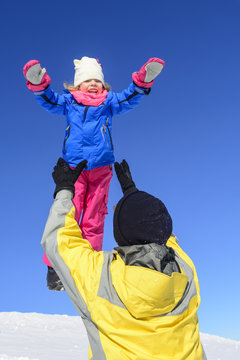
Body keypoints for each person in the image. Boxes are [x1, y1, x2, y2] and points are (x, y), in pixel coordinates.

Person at [41, 158, 206, 360]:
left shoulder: (101, 278)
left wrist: (64, 190)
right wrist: (133, 194)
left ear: (121, 233)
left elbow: (58, 240)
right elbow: (164, 235)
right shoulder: (185, 270)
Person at [23, 56, 165, 291]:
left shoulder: (108, 102)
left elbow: (129, 98)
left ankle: (90, 265)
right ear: (77, 85)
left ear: (103, 84)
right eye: (87, 80)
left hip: (101, 169)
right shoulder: (69, 102)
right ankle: (53, 268)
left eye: (96, 80)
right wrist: (39, 84)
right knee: (68, 214)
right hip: (74, 169)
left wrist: (143, 81)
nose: (93, 84)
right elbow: (49, 101)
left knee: (94, 218)